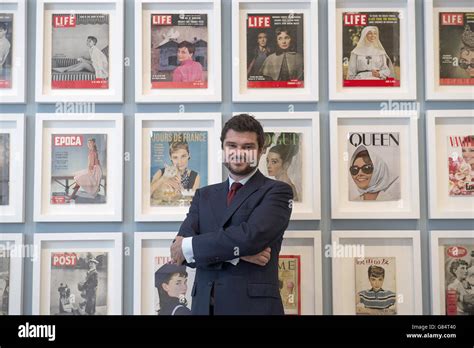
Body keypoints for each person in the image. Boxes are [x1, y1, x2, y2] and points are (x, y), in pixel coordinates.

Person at [170, 114, 293, 315]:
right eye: (232, 146)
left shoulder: (277, 191)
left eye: (248, 147)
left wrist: (195, 246)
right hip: (203, 307)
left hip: (253, 309)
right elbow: (180, 254)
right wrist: (239, 254)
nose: (239, 153)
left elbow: (251, 237)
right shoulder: (204, 195)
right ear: (223, 149)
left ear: (261, 150)